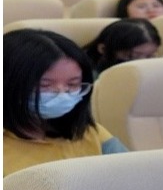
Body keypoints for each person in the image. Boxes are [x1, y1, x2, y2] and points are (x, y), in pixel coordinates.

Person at [4, 29, 127, 177]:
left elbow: (133, 175)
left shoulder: (87, 131)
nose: (62, 94)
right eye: (44, 85)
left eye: (72, 84)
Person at [83, 19, 162, 74]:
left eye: (150, 56)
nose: (142, 62)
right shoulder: (85, 74)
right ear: (103, 49)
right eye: (132, 56)